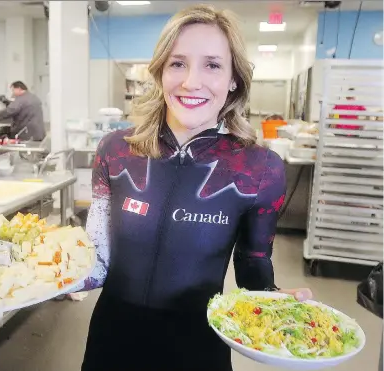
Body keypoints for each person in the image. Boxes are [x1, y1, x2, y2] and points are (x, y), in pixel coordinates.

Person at [72, 5, 313, 371]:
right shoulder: (116, 151)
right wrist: (40, 277)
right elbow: (97, 257)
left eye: (212, 65)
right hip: (110, 344)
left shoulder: (258, 169)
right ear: (161, 72)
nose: (190, 82)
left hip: (197, 351)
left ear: (234, 78)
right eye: (178, 63)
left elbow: (253, 268)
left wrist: (279, 305)